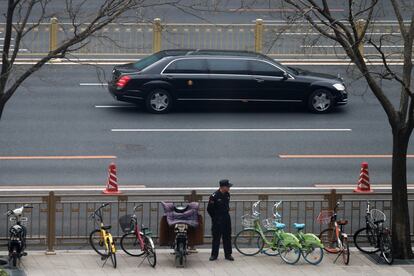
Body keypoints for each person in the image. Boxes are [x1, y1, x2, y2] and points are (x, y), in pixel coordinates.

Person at [207, 179, 234, 261]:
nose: (229, 188)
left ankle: (228, 254)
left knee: (227, 237)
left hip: (226, 218)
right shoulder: (214, 196)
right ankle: (214, 255)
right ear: (223, 187)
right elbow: (209, 209)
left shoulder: (227, 194)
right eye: (228, 186)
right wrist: (215, 218)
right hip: (217, 219)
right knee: (216, 237)